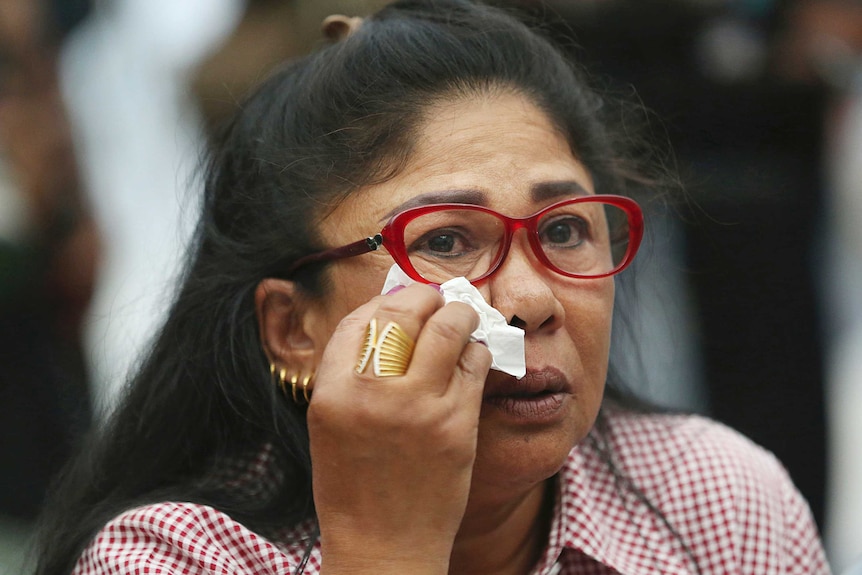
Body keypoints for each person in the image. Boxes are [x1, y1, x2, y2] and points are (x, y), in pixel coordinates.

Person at [33, 1, 830, 574]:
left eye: (563, 230)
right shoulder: (176, 556)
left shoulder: (717, 501)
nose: (531, 299)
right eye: (446, 241)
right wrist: (384, 547)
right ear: (292, 329)